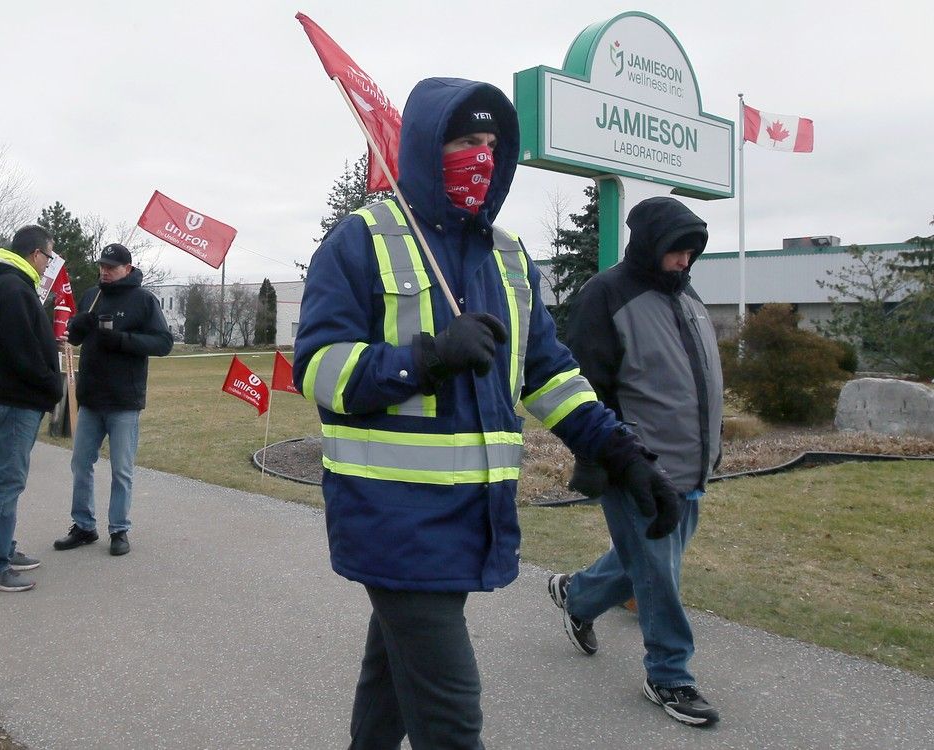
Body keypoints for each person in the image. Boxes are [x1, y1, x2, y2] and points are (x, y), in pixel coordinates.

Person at [294, 78, 681, 749]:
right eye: (465, 141)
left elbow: (550, 374)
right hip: (393, 519)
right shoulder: (359, 240)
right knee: (451, 719)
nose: (481, 155)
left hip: (471, 518)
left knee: (389, 687)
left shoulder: (507, 257)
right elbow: (320, 370)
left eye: (491, 144)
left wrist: (621, 452)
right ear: (424, 147)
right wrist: (428, 357)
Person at [547, 196, 725, 727]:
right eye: (677, 250)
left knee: (644, 564)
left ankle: (576, 595)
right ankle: (670, 674)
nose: (685, 261)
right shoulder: (606, 295)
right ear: (649, 244)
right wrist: (606, 457)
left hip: (691, 466)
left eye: (692, 252)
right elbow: (587, 387)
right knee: (659, 575)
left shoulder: (686, 295)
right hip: (636, 465)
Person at [53, 243, 172, 556]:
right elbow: (76, 337)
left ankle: (119, 529)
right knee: (80, 464)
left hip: (124, 400)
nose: (105, 271)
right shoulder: (92, 295)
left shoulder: (144, 300)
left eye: (112, 267)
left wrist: (122, 340)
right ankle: (83, 526)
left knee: (121, 470)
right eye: (102, 266)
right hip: (90, 397)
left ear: (128, 269)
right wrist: (77, 328)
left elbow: (163, 342)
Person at [0, 225, 64, 592]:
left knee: (10, 481)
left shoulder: (14, 285)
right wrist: (51, 384)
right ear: (34, 253)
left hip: (18, 397)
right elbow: (21, 350)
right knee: (8, 482)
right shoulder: (13, 287)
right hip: (17, 400)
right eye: (49, 256)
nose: (49, 264)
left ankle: (3, 549)